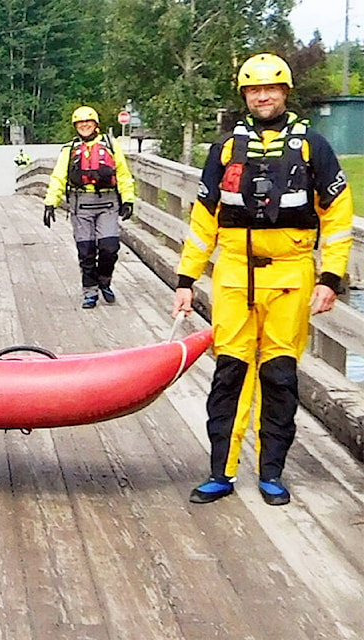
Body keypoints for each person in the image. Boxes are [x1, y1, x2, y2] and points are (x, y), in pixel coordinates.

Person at [171, 53, 354, 506]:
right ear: (244, 96)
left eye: (271, 88)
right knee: (229, 373)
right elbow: (202, 220)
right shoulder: (225, 150)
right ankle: (221, 471)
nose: (263, 96)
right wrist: (186, 278)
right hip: (234, 275)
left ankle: (271, 471)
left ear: (285, 92)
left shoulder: (314, 147)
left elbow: (338, 216)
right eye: (254, 90)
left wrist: (331, 276)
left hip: (291, 277)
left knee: (279, 376)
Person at [43, 106, 136, 308]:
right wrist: (51, 202)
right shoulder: (69, 149)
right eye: (80, 122)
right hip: (81, 203)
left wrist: (128, 199)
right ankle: (90, 291)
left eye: (88, 121)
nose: (84, 125)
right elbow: (59, 176)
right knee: (86, 251)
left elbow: (122, 173)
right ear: (75, 126)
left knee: (109, 248)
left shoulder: (111, 145)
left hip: (108, 202)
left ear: (96, 124)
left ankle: (104, 280)